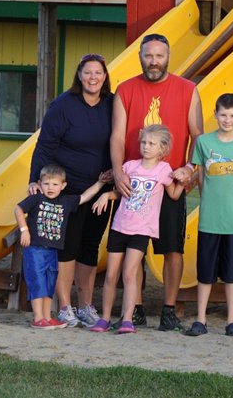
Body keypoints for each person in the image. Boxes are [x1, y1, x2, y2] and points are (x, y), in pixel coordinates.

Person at [110, 33, 203, 331]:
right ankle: (135, 308)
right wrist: (118, 172)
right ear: (140, 56)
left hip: (168, 183)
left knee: (172, 249)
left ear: (168, 57)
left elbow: (198, 135)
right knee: (132, 250)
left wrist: (190, 168)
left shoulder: (188, 89)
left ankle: (168, 309)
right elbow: (117, 136)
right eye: (148, 56)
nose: (154, 61)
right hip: (134, 183)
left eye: (159, 56)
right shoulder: (125, 90)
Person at [28, 53, 113, 328]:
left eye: (98, 73)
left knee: (90, 247)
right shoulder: (63, 106)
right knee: (67, 247)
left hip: (100, 189)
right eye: (87, 72)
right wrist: (34, 179)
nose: (92, 77)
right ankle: (65, 306)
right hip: (68, 191)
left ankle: (85, 305)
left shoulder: (112, 105)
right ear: (79, 75)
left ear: (105, 76)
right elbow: (44, 146)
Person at [89, 125, 185, 334]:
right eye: (143, 142)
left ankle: (127, 320)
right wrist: (106, 195)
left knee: (129, 273)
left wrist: (186, 178)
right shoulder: (129, 166)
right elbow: (120, 192)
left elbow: (174, 194)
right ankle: (105, 318)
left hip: (141, 230)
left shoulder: (164, 170)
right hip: (120, 226)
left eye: (151, 143)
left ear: (162, 148)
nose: (146, 147)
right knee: (111, 275)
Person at [184, 93, 233, 337]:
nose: (227, 120)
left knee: (231, 273)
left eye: (232, 115)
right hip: (210, 218)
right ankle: (201, 319)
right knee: (205, 271)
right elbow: (199, 174)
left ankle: (231, 320)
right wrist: (206, 199)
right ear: (215, 115)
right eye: (223, 115)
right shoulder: (204, 142)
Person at [15, 164, 105, 329]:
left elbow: (85, 197)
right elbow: (18, 209)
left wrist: (100, 183)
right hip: (35, 249)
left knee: (49, 283)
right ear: (40, 184)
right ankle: (38, 317)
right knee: (37, 281)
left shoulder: (65, 201)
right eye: (46, 184)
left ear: (63, 186)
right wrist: (24, 230)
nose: (50, 188)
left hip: (52, 251)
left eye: (55, 184)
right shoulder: (36, 199)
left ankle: (47, 317)